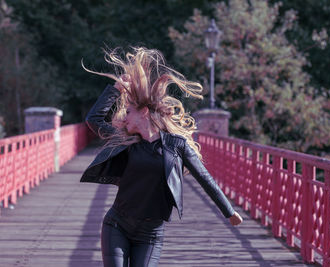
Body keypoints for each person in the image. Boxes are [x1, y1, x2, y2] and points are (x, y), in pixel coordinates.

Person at [80, 47, 243, 267]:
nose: (123, 118)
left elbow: (204, 177)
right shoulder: (127, 142)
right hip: (116, 225)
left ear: (144, 113)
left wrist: (229, 211)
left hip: (150, 234)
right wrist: (117, 88)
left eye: (128, 112)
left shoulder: (177, 145)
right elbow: (94, 119)